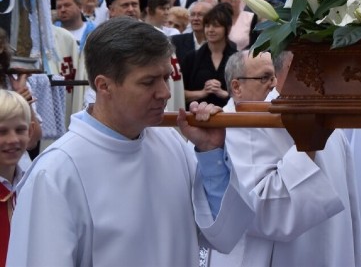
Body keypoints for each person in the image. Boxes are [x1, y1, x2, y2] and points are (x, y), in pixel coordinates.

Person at [8, 18, 254, 266]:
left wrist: (211, 154)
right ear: (104, 86)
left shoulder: (170, 142)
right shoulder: (57, 172)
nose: (166, 93)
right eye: (148, 82)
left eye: (166, 78)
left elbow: (224, 234)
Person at [210, 50, 361, 267]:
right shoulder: (238, 125)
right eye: (265, 78)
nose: (271, 84)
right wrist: (306, 145)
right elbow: (264, 213)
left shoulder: (328, 125)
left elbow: (350, 209)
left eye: (272, 77)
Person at [182, 3, 235, 109]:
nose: (210, 30)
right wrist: (202, 93)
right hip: (196, 115)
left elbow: (245, 93)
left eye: (216, 26)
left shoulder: (237, 58)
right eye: (207, 25)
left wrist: (223, 93)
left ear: (227, 29)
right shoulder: (191, 58)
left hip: (228, 117)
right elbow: (178, 92)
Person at [0, 90, 32, 262]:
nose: (12, 139)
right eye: (2, 132)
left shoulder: (33, 182)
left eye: (20, 130)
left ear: (30, 131)